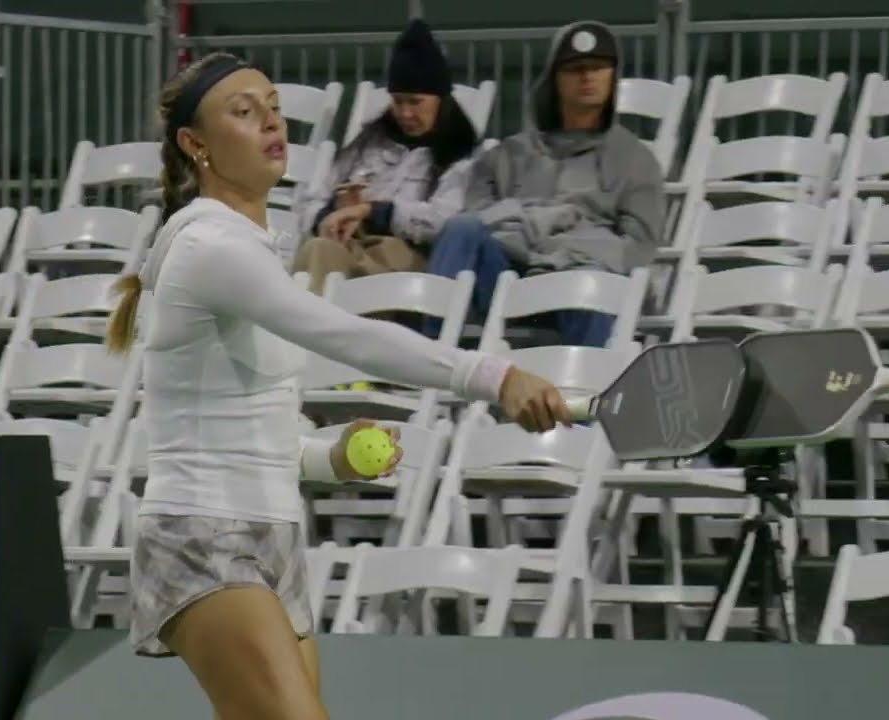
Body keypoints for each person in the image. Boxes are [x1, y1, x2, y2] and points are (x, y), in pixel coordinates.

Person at [104, 52, 571, 720]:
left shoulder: (256, 245)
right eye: (243, 111)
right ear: (195, 144)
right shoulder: (210, 247)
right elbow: (343, 332)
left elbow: (264, 431)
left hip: (278, 537)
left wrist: (331, 457)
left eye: (272, 104)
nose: (270, 121)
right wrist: (491, 374)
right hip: (202, 535)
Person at [425, 20, 665, 347]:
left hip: (581, 283)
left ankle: (584, 391)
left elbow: (637, 247)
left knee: (589, 280)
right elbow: (478, 214)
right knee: (461, 229)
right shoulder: (508, 154)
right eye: (575, 68)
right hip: (509, 280)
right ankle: (426, 358)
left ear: (613, 77)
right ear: (555, 78)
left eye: (598, 67)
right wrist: (533, 231)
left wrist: (566, 252)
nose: (587, 76)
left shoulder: (635, 159)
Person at [292, 19, 480, 294]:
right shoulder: (369, 142)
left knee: (333, 263)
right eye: (398, 101)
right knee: (319, 249)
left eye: (415, 102)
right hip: (349, 246)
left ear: (440, 100)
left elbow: (444, 221)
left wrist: (375, 212)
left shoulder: (460, 153)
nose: (405, 113)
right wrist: (330, 215)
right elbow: (309, 198)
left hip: (407, 256)